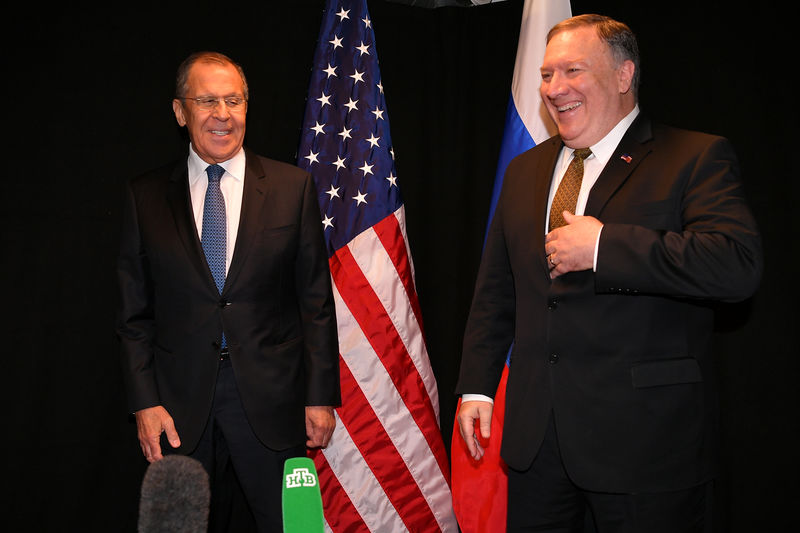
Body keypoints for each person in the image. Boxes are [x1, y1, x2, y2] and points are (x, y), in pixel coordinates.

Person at [455, 14, 762, 532]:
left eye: (572, 70)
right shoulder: (524, 170)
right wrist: (477, 388)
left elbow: (736, 265)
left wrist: (605, 246)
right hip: (538, 445)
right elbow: (497, 291)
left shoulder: (693, 155)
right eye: (547, 75)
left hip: (645, 447)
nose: (555, 89)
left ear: (624, 75)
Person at [116, 51, 340, 532]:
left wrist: (320, 396)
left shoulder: (292, 187)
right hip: (177, 410)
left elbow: (315, 304)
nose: (222, 114)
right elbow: (134, 315)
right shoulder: (146, 196)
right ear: (180, 112)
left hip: (272, 404)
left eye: (234, 101)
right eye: (208, 101)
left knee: (290, 528)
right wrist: (144, 402)